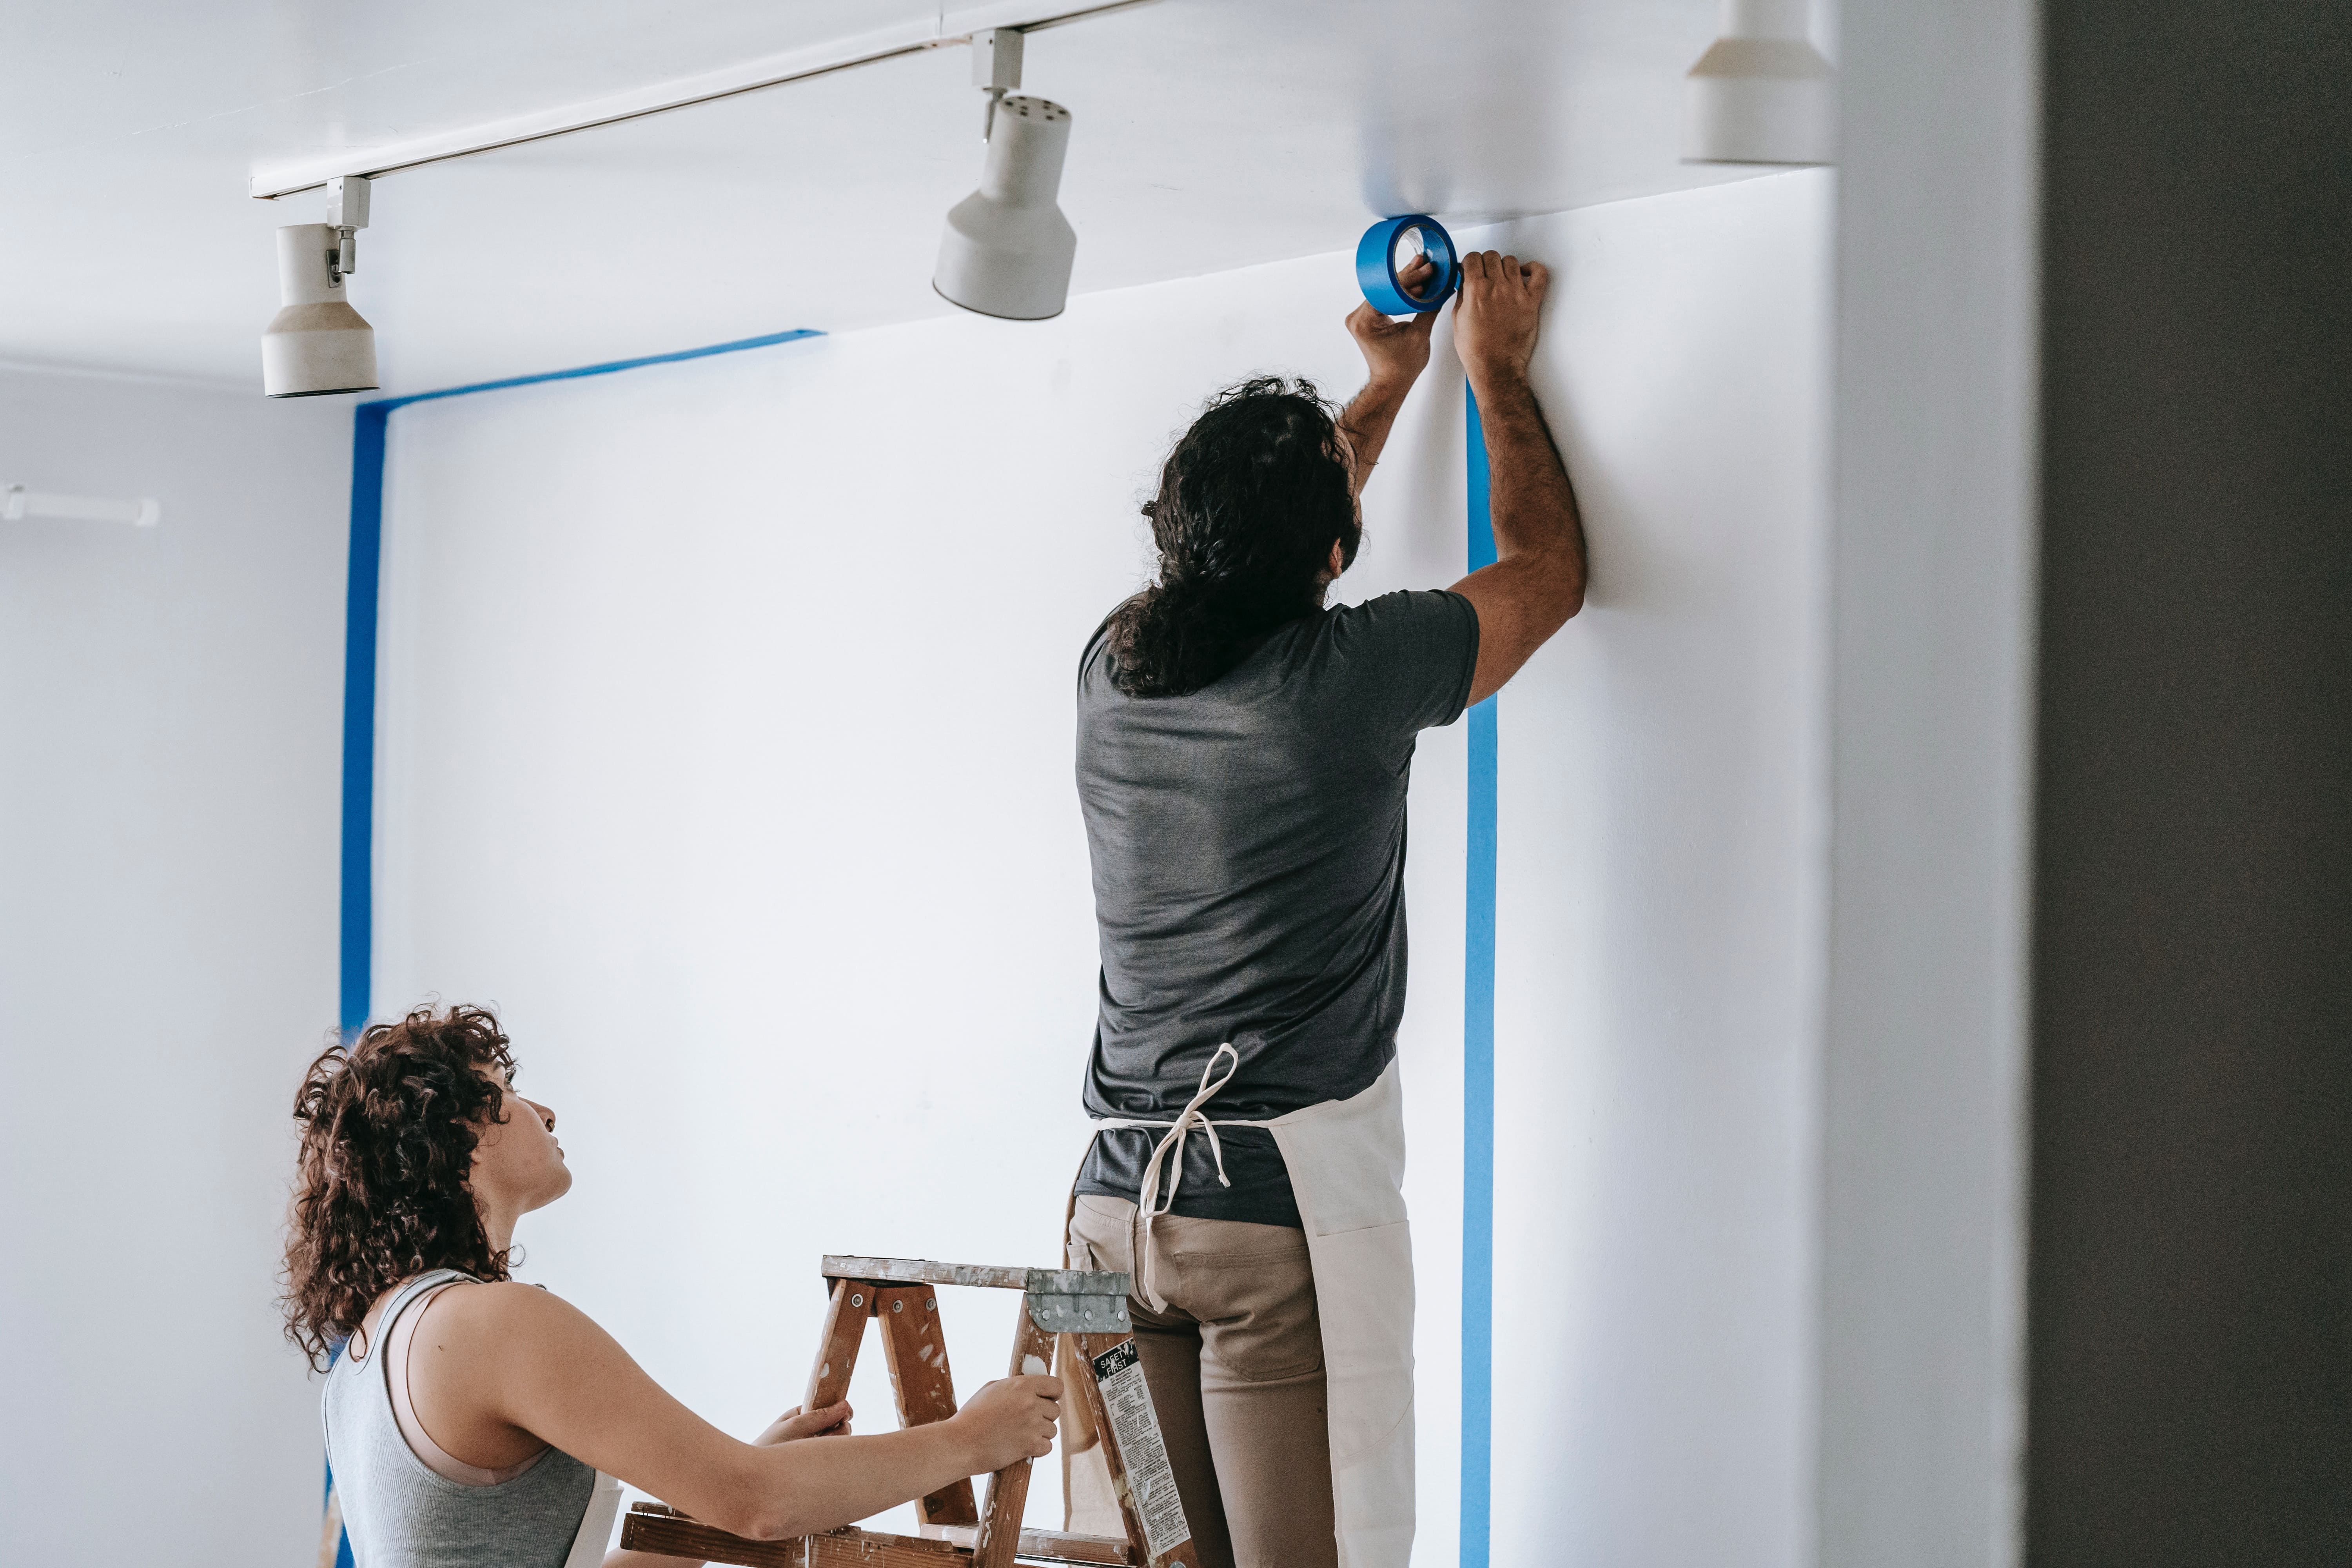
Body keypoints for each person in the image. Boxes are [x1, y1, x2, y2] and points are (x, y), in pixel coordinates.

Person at [1061, 250, 1585, 1568]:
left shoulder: (1115, 664)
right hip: (1260, 1229)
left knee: (1147, 1559)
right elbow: (1547, 573)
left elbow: (1265, 550)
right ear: (1338, 553)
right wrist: (1493, 375)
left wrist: (1378, 386)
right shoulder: (1347, 678)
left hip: (1101, 1230)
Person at [285, 1003, 1060, 1568]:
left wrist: (718, 1483)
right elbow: (761, 1504)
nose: (544, 1109)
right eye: (506, 1091)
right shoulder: (492, 1325)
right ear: (461, 1132)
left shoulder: (371, 1347)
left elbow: (742, 1496)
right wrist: (976, 1437)